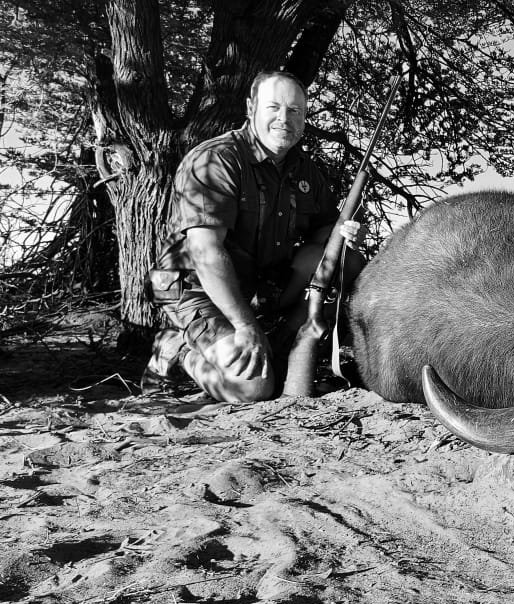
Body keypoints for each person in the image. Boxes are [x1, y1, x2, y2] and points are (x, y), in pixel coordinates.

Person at [142, 71, 363, 403]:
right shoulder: (216, 159)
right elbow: (206, 253)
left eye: (295, 111)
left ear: (304, 117)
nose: (284, 119)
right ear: (250, 108)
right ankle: (174, 349)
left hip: (255, 287)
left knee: (347, 261)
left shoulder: (306, 171)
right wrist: (245, 327)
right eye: (273, 107)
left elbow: (325, 235)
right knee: (252, 386)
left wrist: (346, 234)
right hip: (196, 285)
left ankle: (280, 344)